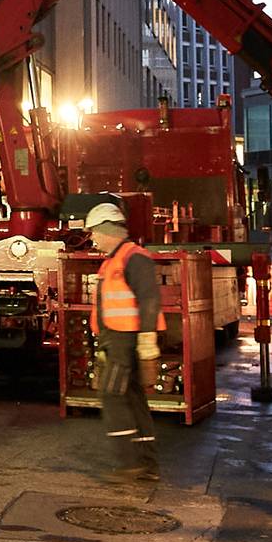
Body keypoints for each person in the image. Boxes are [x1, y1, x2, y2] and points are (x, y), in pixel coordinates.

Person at [82, 202, 163, 481]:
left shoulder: (133, 258)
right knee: (133, 399)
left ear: (108, 230)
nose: (92, 238)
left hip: (124, 340)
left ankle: (131, 463)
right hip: (116, 340)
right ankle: (147, 464)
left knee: (112, 395)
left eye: (94, 232)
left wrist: (147, 341)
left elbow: (149, 299)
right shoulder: (113, 262)